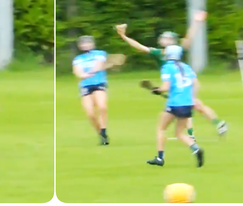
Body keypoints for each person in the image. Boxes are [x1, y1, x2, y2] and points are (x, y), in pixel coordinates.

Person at [115, 11, 228, 139]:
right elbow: (139, 47)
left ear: (172, 41)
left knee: (194, 105)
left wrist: (196, 22)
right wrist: (123, 36)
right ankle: (201, 131)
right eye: (163, 38)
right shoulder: (158, 53)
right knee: (190, 107)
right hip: (174, 84)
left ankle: (215, 125)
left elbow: (189, 38)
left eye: (167, 38)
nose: (163, 39)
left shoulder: (177, 49)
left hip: (182, 82)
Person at [146, 45, 204, 167]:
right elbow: (196, 84)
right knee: (179, 133)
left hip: (174, 104)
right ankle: (196, 149)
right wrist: (192, 98)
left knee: (161, 129)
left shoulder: (167, 67)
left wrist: (157, 90)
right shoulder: (186, 67)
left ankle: (160, 158)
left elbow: (165, 87)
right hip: (187, 104)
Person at [72, 35, 110, 145]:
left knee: (102, 106)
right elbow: (77, 72)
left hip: (99, 83)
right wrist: (83, 75)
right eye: (83, 43)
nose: (85, 45)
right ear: (80, 46)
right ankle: (101, 135)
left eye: (88, 43)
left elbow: (99, 65)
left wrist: (91, 71)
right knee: (90, 114)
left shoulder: (100, 53)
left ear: (92, 44)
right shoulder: (78, 59)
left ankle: (103, 130)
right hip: (85, 86)